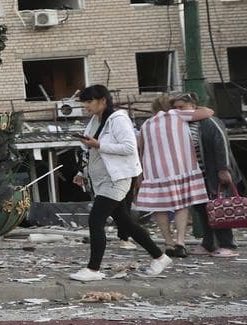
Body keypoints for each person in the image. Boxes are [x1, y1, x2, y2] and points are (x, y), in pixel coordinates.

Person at [70, 85, 172, 281]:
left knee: (95, 220)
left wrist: (99, 144)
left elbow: (128, 147)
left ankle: (93, 270)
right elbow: (90, 150)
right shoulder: (94, 121)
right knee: (125, 222)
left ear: (103, 101)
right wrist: (81, 171)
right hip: (100, 179)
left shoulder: (118, 119)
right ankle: (160, 257)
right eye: (84, 102)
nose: (86, 106)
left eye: (89, 102)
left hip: (117, 178)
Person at [136, 94, 214, 258]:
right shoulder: (178, 115)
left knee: (159, 207)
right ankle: (180, 242)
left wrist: (140, 176)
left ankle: (168, 243)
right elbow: (209, 112)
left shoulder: (146, 124)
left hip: (154, 171)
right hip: (179, 168)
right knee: (182, 204)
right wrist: (193, 106)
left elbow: (140, 150)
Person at [172, 92, 239, 257]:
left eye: (182, 107)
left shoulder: (208, 122)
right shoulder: (181, 124)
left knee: (220, 208)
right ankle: (208, 243)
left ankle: (227, 244)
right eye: (175, 108)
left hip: (213, 174)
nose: (179, 111)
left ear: (193, 107)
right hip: (196, 177)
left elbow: (221, 144)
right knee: (203, 210)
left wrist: (223, 169)